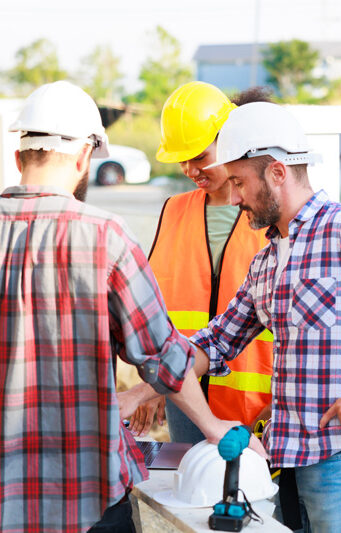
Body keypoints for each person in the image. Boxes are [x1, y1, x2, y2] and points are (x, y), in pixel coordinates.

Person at [0, 81, 258, 533]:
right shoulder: (105, 235)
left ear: (19, 158)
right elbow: (159, 352)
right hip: (87, 491)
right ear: (84, 158)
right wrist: (211, 425)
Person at [186, 102, 341, 533]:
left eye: (240, 183)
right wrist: (146, 386)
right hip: (287, 459)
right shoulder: (267, 260)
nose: (233, 198)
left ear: (278, 173)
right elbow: (216, 342)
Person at [125, 82, 274, 443]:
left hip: (261, 401)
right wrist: (156, 382)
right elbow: (158, 310)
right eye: (182, 159)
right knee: (196, 495)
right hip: (187, 401)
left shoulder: (270, 213)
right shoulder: (174, 211)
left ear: (229, 143)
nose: (190, 169)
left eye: (199, 156)